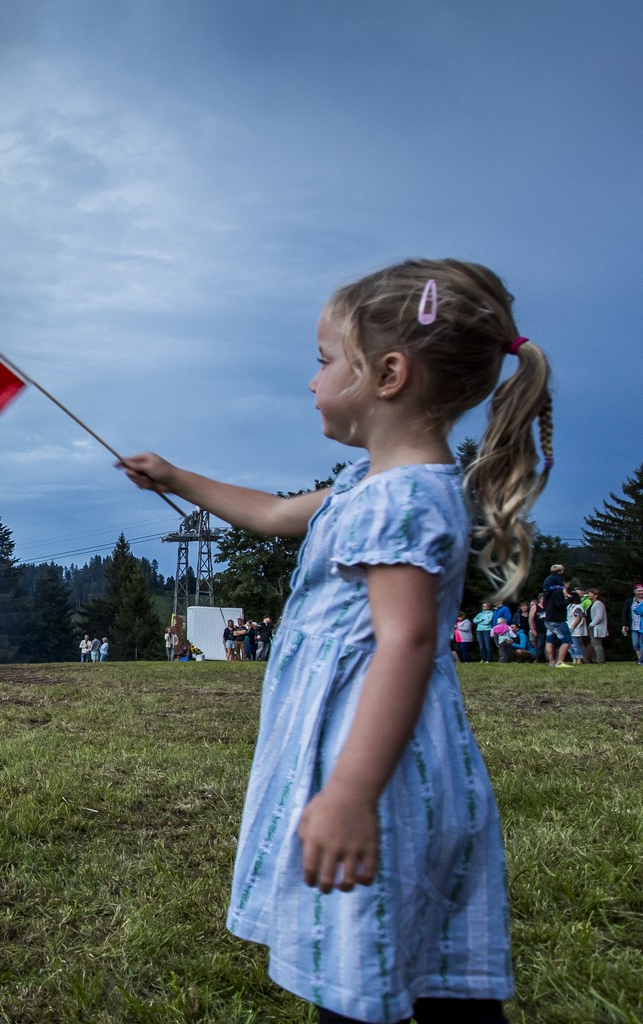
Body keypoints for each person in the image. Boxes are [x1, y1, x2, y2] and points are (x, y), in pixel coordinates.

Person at [119, 259, 547, 1022]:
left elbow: (407, 643)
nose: (312, 381)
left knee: (366, 950)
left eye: (323, 362)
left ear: (387, 373)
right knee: (407, 962)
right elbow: (275, 516)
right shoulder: (366, 484)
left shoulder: (402, 500)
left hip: (378, 770)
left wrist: (350, 794)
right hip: (382, 761)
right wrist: (175, 477)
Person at [566, 585, 588, 666]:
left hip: (574, 628)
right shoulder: (569, 606)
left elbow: (578, 617)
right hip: (568, 626)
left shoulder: (578, 607)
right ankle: (574, 657)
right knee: (569, 645)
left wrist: (572, 627)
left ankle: (579, 658)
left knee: (575, 644)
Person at [586, 588, 607, 664]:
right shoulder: (593, 604)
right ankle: (595, 658)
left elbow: (599, 616)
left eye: (590, 594)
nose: (588, 595)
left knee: (597, 644)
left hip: (596, 627)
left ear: (596, 595)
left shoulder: (598, 604)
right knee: (594, 643)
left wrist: (591, 624)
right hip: (594, 626)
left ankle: (600, 660)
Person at [626, 583, 643, 665]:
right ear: (635, 591)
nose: (641, 592)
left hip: (642, 626)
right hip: (634, 626)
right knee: (635, 643)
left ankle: (641, 660)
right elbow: (625, 613)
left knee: (642, 643)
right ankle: (640, 659)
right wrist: (625, 625)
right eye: (639, 591)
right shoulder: (630, 601)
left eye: (642, 591)